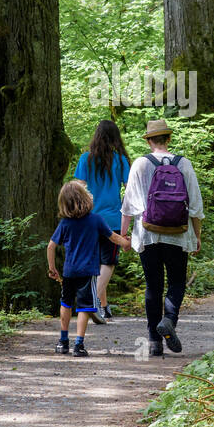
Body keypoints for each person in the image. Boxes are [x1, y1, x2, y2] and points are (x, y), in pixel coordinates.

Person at [120, 120, 203, 357]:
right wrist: (197, 236)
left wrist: (124, 235)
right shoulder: (184, 164)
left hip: (148, 235)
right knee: (177, 282)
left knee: (153, 286)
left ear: (148, 140)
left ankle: (154, 342)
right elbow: (195, 206)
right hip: (178, 234)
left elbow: (129, 205)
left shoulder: (140, 164)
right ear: (168, 139)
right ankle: (169, 319)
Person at [47, 180, 130, 356]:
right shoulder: (96, 219)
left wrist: (52, 267)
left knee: (66, 303)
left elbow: (51, 246)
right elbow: (113, 237)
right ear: (86, 198)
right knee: (84, 307)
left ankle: (63, 342)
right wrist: (126, 243)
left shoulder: (65, 224)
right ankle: (79, 345)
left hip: (69, 271)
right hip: (88, 272)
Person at [73, 120, 132, 323]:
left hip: (88, 219)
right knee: (108, 262)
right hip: (112, 219)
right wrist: (127, 213)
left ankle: (104, 309)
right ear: (116, 138)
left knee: (97, 264)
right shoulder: (121, 160)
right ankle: (93, 302)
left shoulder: (85, 159)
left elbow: (78, 189)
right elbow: (130, 189)